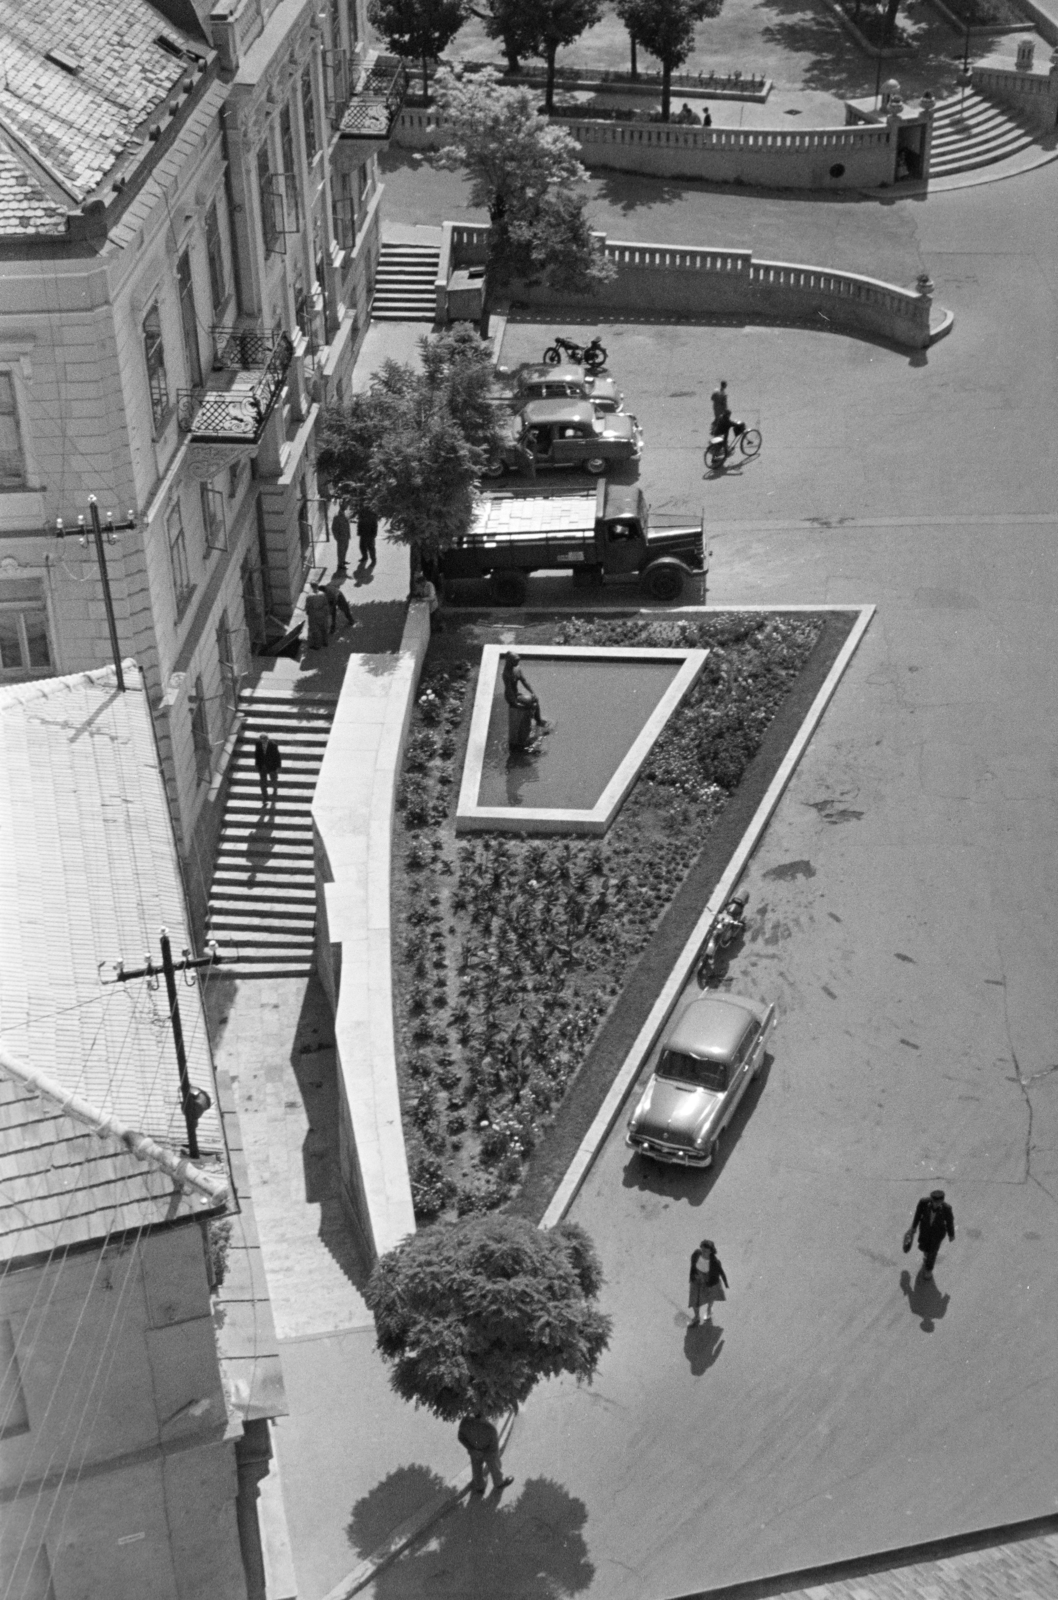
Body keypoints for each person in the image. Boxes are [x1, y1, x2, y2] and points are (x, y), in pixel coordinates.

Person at [903, 1189, 955, 1280]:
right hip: (925, 1230)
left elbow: (949, 1222)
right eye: (934, 1202)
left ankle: (928, 1270)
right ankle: (927, 1256)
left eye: (939, 1203)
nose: (936, 1204)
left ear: (942, 1201)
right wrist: (914, 1227)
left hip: (938, 1234)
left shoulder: (947, 1209)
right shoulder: (923, 1203)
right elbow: (918, 1215)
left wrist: (951, 1234)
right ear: (931, 1200)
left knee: (933, 1252)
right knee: (924, 1247)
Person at [502, 651, 549, 751]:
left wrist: (533, 692)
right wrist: (515, 703)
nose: (518, 662)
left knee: (534, 700)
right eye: (515, 661)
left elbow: (524, 681)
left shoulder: (517, 669)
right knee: (528, 703)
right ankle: (524, 732)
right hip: (511, 697)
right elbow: (509, 689)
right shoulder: (506, 674)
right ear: (509, 661)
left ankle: (538, 720)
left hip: (517, 694)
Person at [457, 1413, 513, 1496]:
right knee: (494, 1466)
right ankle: (499, 1483)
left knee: (476, 1467)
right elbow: (494, 1447)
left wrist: (471, 1449)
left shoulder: (465, 1422)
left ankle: (480, 1487)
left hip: (474, 1449)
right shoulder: (490, 1428)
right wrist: (493, 1456)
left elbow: (460, 1437)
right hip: (488, 1451)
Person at [688, 1239, 728, 1326]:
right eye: (702, 1250)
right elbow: (693, 1265)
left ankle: (709, 1309)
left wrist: (725, 1283)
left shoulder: (715, 1262)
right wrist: (693, 1275)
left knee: (710, 1297)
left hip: (708, 1281)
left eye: (706, 1251)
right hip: (696, 1280)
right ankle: (696, 1317)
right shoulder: (696, 1254)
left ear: (711, 1251)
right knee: (694, 1300)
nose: (703, 1252)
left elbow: (721, 1272)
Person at [253, 732, 282, 805]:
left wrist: (278, 766)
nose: (263, 742)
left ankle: (275, 791)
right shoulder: (258, 744)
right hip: (262, 766)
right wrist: (256, 764)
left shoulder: (273, 745)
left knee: (273, 779)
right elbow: (257, 755)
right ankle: (265, 796)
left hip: (272, 766)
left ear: (267, 739)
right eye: (262, 740)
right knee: (263, 782)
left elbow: (277, 756)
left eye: (264, 740)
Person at [305, 585, 331, 650]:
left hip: (314, 614)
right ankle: (325, 642)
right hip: (322, 613)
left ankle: (317, 645)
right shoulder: (323, 594)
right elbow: (326, 604)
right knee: (324, 628)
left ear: (311, 586)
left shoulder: (309, 596)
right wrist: (326, 613)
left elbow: (307, 606)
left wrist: (308, 612)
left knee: (315, 630)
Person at [331, 502, 351, 571]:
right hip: (341, 537)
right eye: (345, 505)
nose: (346, 507)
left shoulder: (345, 514)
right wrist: (337, 538)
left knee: (345, 549)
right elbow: (334, 528)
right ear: (341, 506)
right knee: (340, 551)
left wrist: (349, 535)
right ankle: (340, 564)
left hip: (346, 536)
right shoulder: (337, 516)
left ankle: (343, 560)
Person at [357, 502, 378, 567]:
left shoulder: (373, 514)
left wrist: (374, 534)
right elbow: (359, 523)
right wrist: (359, 531)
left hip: (370, 534)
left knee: (371, 547)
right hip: (363, 533)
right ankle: (365, 557)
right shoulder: (362, 513)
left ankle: (373, 560)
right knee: (362, 546)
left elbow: (375, 525)